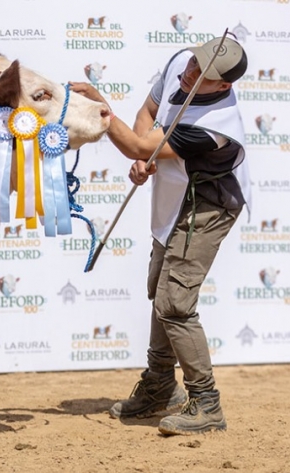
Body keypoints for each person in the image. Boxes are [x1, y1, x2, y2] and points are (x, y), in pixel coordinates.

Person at [70, 35, 250, 436]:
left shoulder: (214, 127)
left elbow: (137, 140)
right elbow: (148, 113)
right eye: (192, 64)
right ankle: (158, 386)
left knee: (175, 301)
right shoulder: (181, 64)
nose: (190, 73)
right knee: (160, 289)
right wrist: (142, 159)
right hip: (174, 198)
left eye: (202, 75)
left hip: (207, 204)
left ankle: (206, 403)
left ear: (223, 86)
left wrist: (103, 112)